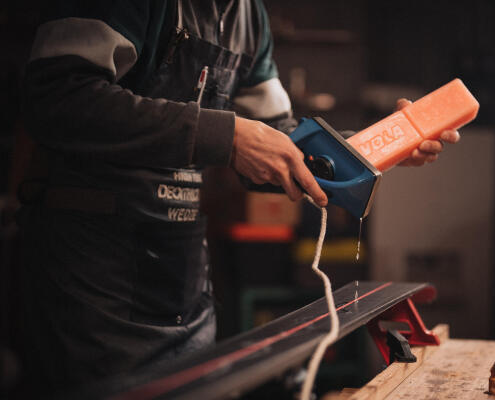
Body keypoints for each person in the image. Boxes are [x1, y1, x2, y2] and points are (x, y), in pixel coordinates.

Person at [18, 0, 458, 394]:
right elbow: (59, 98)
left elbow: (283, 143)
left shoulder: (247, 15)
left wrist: (373, 148)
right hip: (90, 277)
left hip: (179, 274)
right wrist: (226, 136)